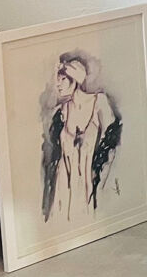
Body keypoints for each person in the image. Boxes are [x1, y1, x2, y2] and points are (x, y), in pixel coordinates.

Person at [41, 53, 122, 222]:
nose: (58, 84)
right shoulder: (61, 112)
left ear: (75, 79)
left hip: (91, 185)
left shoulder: (99, 102)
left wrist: (101, 181)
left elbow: (112, 147)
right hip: (64, 188)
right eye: (57, 79)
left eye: (62, 78)